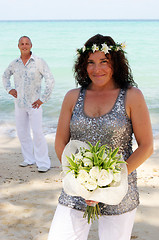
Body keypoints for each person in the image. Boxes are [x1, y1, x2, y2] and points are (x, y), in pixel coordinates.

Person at [48, 34, 153, 239]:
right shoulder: (72, 97)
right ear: (83, 65)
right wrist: (79, 180)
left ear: (115, 62)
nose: (97, 69)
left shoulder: (132, 96)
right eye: (91, 63)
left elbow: (146, 146)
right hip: (77, 190)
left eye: (104, 62)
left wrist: (111, 181)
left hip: (120, 190)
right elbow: (61, 142)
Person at [2, 36, 54, 173]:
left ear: (31, 45)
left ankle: (43, 162)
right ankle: (29, 159)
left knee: (37, 133)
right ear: (18, 46)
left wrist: (43, 98)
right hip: (19, 104)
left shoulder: (38, 62)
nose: (24, 46)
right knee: (22, 132)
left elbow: (50, 80)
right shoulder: (14, 63)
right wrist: (9, 89)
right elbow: (5, 75)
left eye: (27, 43)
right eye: (22, 43)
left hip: (34, 104)